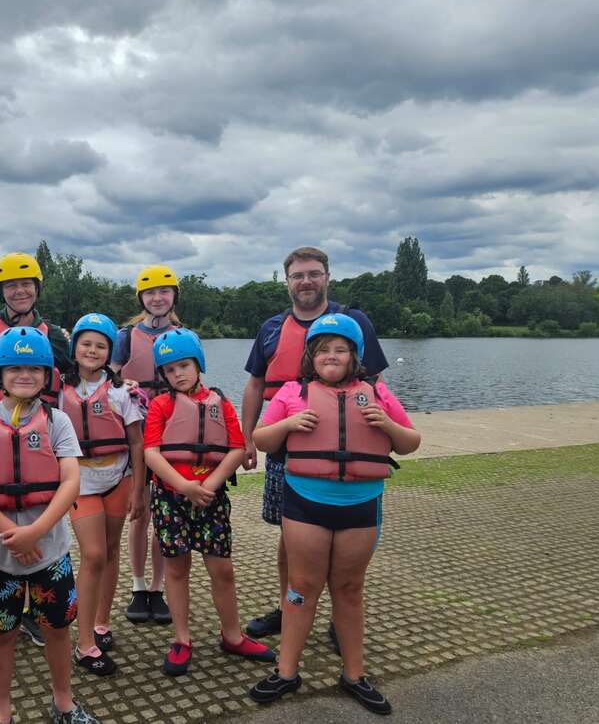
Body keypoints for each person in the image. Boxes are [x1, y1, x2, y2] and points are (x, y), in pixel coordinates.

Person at [248, 314, 419, 714]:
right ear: (311, 355)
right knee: (301, 586)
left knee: (349, 589)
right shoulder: (293, 391)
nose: (331, 355)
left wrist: (388, 425)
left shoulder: (377, 392)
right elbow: (261, 437)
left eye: (340, 349)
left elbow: (410, 443)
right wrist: (289, 422)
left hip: (360, 505)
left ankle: (354, 675)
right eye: (323, 349)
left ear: (354, 356)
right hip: (305, 503)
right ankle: (286, 672)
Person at [241, 246, 389, 643]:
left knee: (348, 544)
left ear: (327, 276)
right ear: (286, 281)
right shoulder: (272, 328)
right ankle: (289, 606)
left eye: (314, 273)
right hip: (286, 448)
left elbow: (374, 383)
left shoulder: (353, 322)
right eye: (298, 275)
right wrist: (247, 439)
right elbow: (256, 383)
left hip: (346, 454)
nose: (306, 281)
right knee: (291, 535)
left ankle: (343, 619)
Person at [0, 327, 100, 724]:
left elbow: (71, 480)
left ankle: (64, 702)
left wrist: (36, 532)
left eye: (35, 368)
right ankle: (1, 711)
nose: (26, 375)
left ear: (47, 374)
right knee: (1, 635)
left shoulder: (56, 421)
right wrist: (13, 535)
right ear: (0, 374)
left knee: (57, 630)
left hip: (50, 553)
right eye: (16, 367)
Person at [143, 328, 276, 676]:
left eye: (184, 365)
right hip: (172, 499)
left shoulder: (220, 402)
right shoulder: (159, 406)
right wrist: (185, 486)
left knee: (222, 568)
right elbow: (152, 454)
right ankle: (182, 638)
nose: (178, 374)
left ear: (198, 364)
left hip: (212, 499)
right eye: (169, 370)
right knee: (177, 568)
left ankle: (232, 635)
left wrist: (211, 485)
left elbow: (236, 447)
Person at [59, 313, 145, 676]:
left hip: (118, 479)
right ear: (74, 347)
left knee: (109, 552)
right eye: (86, 343)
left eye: (100, 345)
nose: (92, 350)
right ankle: (83, 644)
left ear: (110, 351)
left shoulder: (123, 392)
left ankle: (101, 623)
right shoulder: (58, 392)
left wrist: (139, 490)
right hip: (81, 482)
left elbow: (137, 444)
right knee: (93, 555)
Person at [111, 264, 183, 625]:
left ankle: (157, 587)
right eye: (150, 293)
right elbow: (110, 379)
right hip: (135, 430)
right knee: (138, 511)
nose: (157, 298)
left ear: (173, 297)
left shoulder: (185, 334)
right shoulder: (126, 337)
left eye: (164, 292)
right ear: (142, 298)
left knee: (163, 516)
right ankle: (138, 585)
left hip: (171, 431)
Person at [0, 252, 72, 410]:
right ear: (1, 292)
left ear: (37, 288)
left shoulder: (54, 336)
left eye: (26, 284)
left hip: (38, 429)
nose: (20, 291)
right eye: (11, 286)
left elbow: (81, 374)